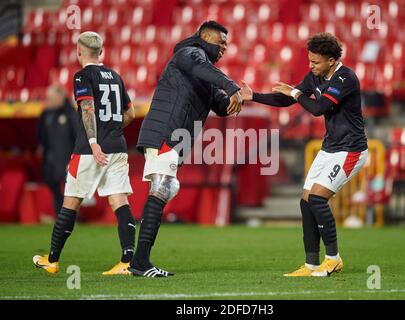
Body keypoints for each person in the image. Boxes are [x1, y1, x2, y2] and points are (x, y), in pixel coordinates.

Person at [241, 32, 368, 277]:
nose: (311, 66)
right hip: (330, 147)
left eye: (315, 62)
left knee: (318, 199)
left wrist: (297, 94)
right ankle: (311, 264)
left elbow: (318, 109)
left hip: (350, 150)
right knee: (307, 201)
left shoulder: (346, 78)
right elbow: (287, 99)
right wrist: (253, 96)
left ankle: (333, 259)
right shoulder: (315, 76)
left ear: (331, 60)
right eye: (310, 61)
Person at [129, 21, 243, 278]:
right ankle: (139, 260)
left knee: (164, 189)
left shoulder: (205, 72)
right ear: (204, 37)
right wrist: (231, 85)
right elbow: (202, 69)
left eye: (226, 43)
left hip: (175, 137)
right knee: (161, 188)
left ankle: (136, 257)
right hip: (166, 132)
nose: (224, 47)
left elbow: (221, 107)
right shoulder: (190, 53)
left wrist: (240, 98)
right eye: (221, 41)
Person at [33, 31, 137, 275]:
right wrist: (111, 130)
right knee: (120, 201)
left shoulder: (82, 76)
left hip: (90, 150)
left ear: (79, 52)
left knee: (71, 202)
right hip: (118, 147)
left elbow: (87, 108)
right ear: (100, 52)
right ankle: (127, 261)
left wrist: (93, 141)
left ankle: (52, 260)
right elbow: (130, 114)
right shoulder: (115, 76)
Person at [37, 85, 78, 215]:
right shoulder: (46, 114)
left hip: (67, 158)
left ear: (61, 97)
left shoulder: (71, 113)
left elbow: (77, 135)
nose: (49, 101)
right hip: (50, 159)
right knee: (55, 188)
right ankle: (59, 215)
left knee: (70, 191)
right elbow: (40, 135)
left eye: (52, 98)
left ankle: (71, 217)